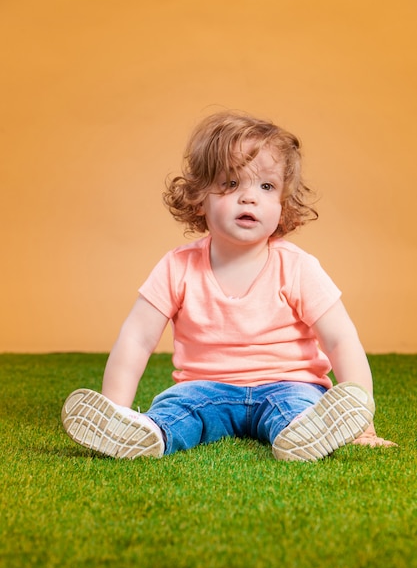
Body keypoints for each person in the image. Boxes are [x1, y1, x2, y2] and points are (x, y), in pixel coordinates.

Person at [62, 110, 396, 461]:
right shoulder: (177, 266)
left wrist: (364, 423)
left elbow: (341, 339)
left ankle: (301, 436)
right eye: (230, 184)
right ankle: (143, 433)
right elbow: (136, 338)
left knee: (301, 411)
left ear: (282, 206)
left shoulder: (298, 267)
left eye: (266, 187)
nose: (248, 197)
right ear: (199, 198)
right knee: (178, 411)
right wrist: (117, 408)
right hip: (203, 389)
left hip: (289, 385)